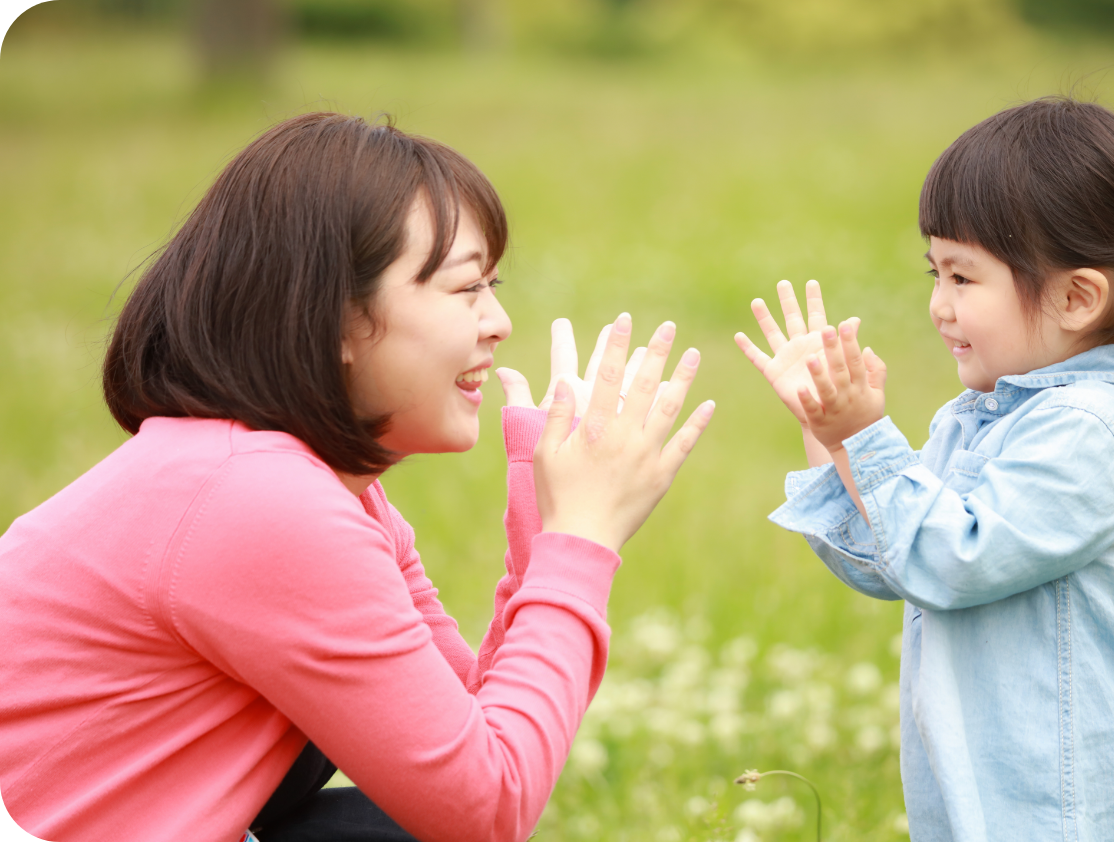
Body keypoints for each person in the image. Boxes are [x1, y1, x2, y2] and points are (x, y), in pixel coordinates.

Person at [0, 112, 714, 842]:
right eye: (466, 289)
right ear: (339, 319)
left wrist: (544, 525)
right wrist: (582, 540)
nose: (498, 321)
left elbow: (464, 735)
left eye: (493, 285)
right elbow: (487, 806)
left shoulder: (309, 489)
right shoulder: (259, 503)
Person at [736, 97, 1114, 840]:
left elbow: (949, 557)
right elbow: (893, 560)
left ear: (1076, 297)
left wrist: (869, 436)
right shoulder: (977, 421)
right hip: (999, 801)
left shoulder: (1087, 431)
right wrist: (832, 432)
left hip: (1084, 810)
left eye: (963, 279)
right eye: (934, 273)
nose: (939, 306)